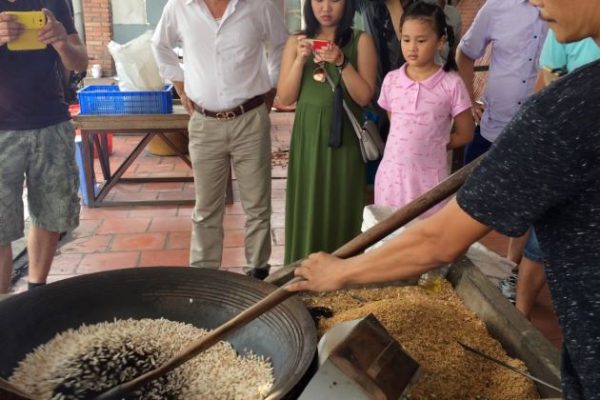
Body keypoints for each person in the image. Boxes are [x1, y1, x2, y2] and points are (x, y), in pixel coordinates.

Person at [288, 0, 600, 397]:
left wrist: (340, 271)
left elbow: (441, 240)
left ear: (438, 42)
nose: (535, 1)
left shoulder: (566, 110)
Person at [152, 0, 287, 279]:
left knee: (257, 206)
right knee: (206, 209)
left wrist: (272, 86)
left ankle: (257, 275)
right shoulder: (179, 7)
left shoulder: (259, 6)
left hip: (250, 118)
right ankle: (204, 276)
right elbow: (160, 46)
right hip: (204, 124)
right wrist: (180, 84)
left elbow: (281, 45)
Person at [277, 0, 377, 264]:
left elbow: (365, 96)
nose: (326, 7)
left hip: (344, 139)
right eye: (319, 0)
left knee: (341, 205)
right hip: (308, 138)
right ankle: (301, 270)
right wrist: (300, 59)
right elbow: (285, 97)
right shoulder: (296, 42)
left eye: (334, 0)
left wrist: (342, 61)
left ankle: (342, 275)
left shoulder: (360, 40)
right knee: (307, 202)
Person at [0, 1, 87, 294]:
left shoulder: (54, 2)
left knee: (51, 213)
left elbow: (80, 61)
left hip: (51, 123)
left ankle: (37, 292)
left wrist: (63, 43)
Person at [515, 30, 600, 318]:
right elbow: (547, 87)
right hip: (572, 155)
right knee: (541, 240)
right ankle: (520, 316)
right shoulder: (562, 29)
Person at [374, 2, 473, 217]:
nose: (412, 48)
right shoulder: (392, 81)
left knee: (423, 239)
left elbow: (466, 133)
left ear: (440, 42)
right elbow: (396, 125)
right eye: (406, 39)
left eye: (421, 41)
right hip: (391, 180)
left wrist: (436, 142)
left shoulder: (451, 84)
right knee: (388, 238)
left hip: (429, 182)